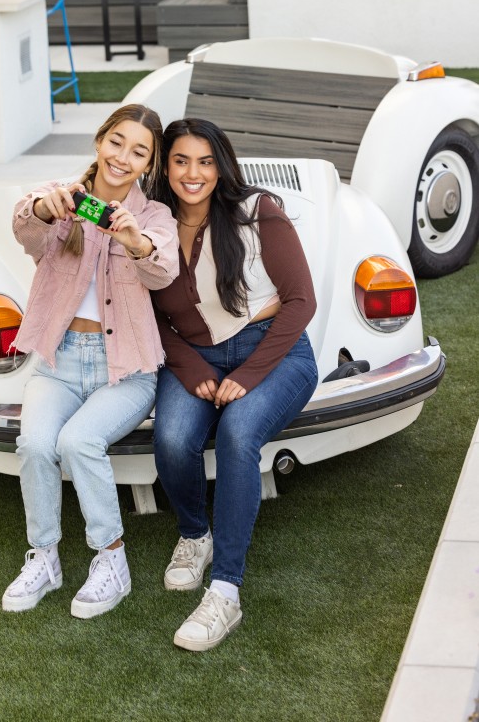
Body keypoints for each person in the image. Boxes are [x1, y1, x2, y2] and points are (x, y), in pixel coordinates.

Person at [3, 104, 179, 620]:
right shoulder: (61, 198)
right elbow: (25, 231)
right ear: (100, 141)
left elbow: (163, 271)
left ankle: (111, 560)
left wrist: (135, 242)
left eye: (139, 152)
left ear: (149, 164)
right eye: (117, 143)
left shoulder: (152, 217)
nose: (123, 158)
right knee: (35, 444)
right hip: (58, 363)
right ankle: (45, 557)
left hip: (125, 369)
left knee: (77, 442)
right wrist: (41, 209)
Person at [151, 118, 318, 652]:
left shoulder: (256, 211)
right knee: (174, 439)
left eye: (204, 161)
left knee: (238, 435)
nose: (192, 173)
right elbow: (147, 315)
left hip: (274, 350)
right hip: (195, 353)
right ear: (165, 166)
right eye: (180, 161)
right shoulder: (150, 225)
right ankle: (194, 535)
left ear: (221, 164)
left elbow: (300, 303)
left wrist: (246, 375)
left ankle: (225, 590)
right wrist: (191, 366)